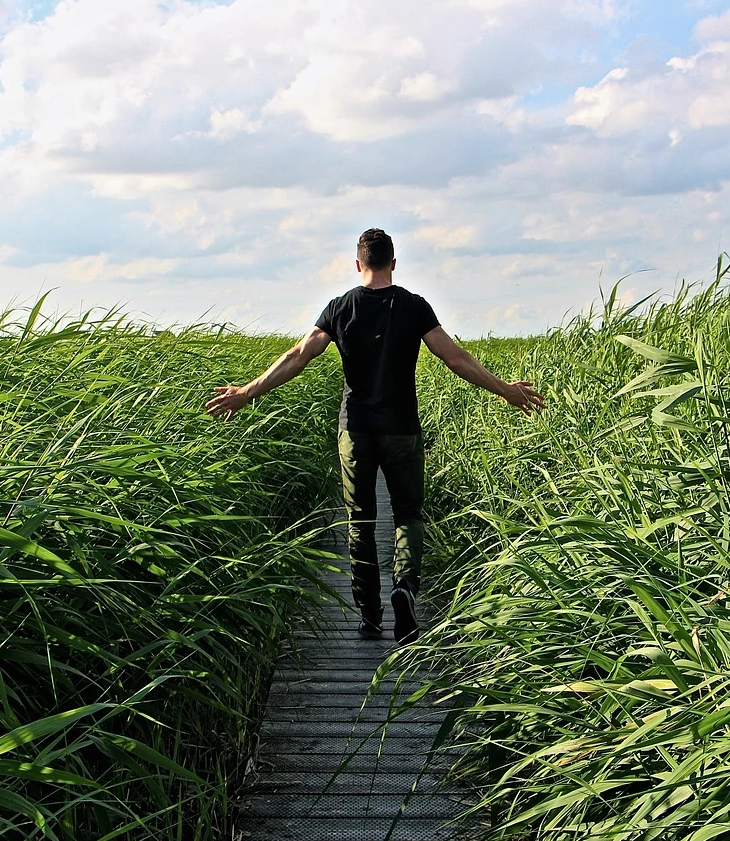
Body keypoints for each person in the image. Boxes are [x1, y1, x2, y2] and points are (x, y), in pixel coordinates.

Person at [205, 228, 545, 644]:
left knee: (360, 522)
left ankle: (369, 615)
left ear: (358, 263)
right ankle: (405, 588)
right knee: (407, 515)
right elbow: (455, 358)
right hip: (402, 428)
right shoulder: (414, 307)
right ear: (394, 263)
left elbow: (298, 356)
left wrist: (245, 392)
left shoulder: (341, 307)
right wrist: (506, 390)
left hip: (356, 431)